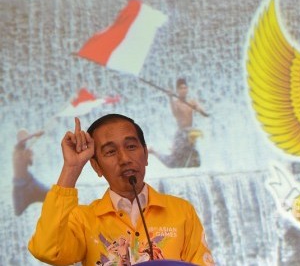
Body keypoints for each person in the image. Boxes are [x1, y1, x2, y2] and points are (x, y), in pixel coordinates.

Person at [28, 114, 215, 266]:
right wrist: (71, 168)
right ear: (96, 167)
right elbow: (47, 250)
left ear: (146, 154)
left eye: (131, 146)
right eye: (110, 151)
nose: (124, 158)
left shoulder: (181, 211)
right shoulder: (83, 219)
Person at [152, 78, 207, 168]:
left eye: (185, 88)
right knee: (172, 164)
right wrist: (170, 97)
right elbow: (174, 113)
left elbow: (203, 112)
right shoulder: (176, 103)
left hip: (191, 133)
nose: (184, 90)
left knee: (196, 163)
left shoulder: (192, 102)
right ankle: (154, 152)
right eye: (181, 88)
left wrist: (200, 110)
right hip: (181, 134)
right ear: (177, 90)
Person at [12, 129, 48, 216]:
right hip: (19, 188)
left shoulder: (26, 151)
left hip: (31, 182)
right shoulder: (16, 150)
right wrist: (35, 134)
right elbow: (21, 141)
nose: (26, 140)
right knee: (18, 213)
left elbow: (30, 163)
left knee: (51, 196)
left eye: (27, 138)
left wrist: (30, 156)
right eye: (25, 138)